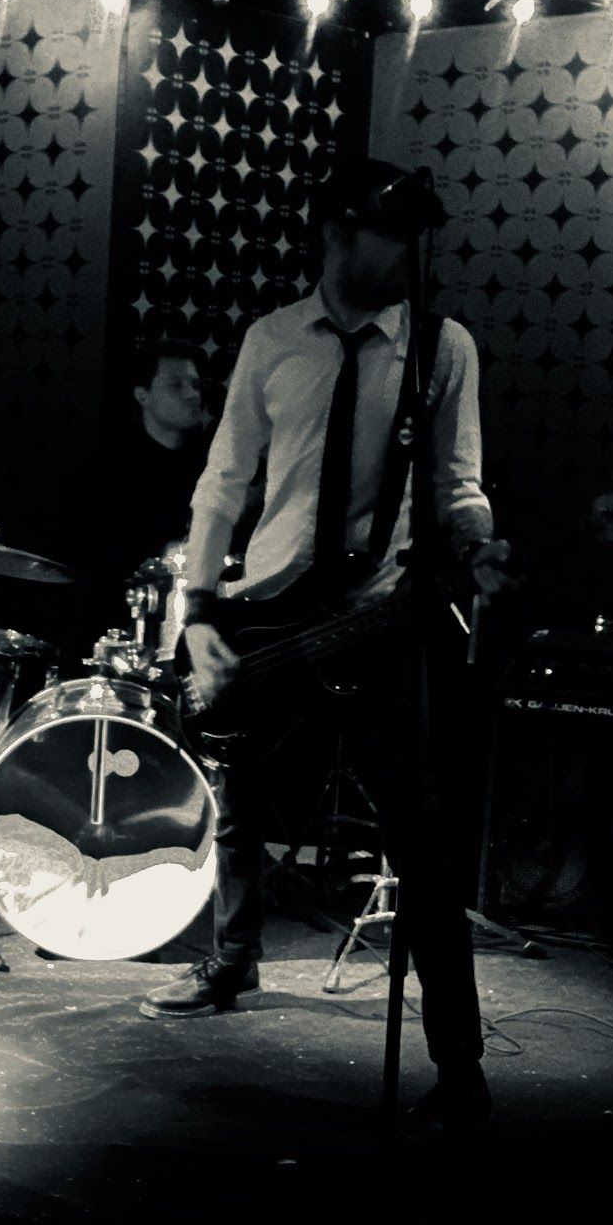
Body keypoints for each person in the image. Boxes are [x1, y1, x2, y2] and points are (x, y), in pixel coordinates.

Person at [139, 159, 514, 1140]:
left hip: (382, 616)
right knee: (236, 798)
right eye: (391, 238)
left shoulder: (441, 348)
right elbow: (224, 482)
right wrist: (199, 612)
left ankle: (460, 1068)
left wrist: (476, 542)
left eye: (415, 240)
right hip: (272, 610)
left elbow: (459, 482)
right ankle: (232, 961)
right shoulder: (273, 341)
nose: (409, 257)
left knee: (422, 843)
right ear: (338, 236)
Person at [73, 342, 211, 657]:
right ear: (142, 394)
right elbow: (90, 558)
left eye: (195, 384)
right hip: (119, 624)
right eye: (176, 385)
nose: (192, 394)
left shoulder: (212, 465)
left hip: (194, 624)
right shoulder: (106, 467)